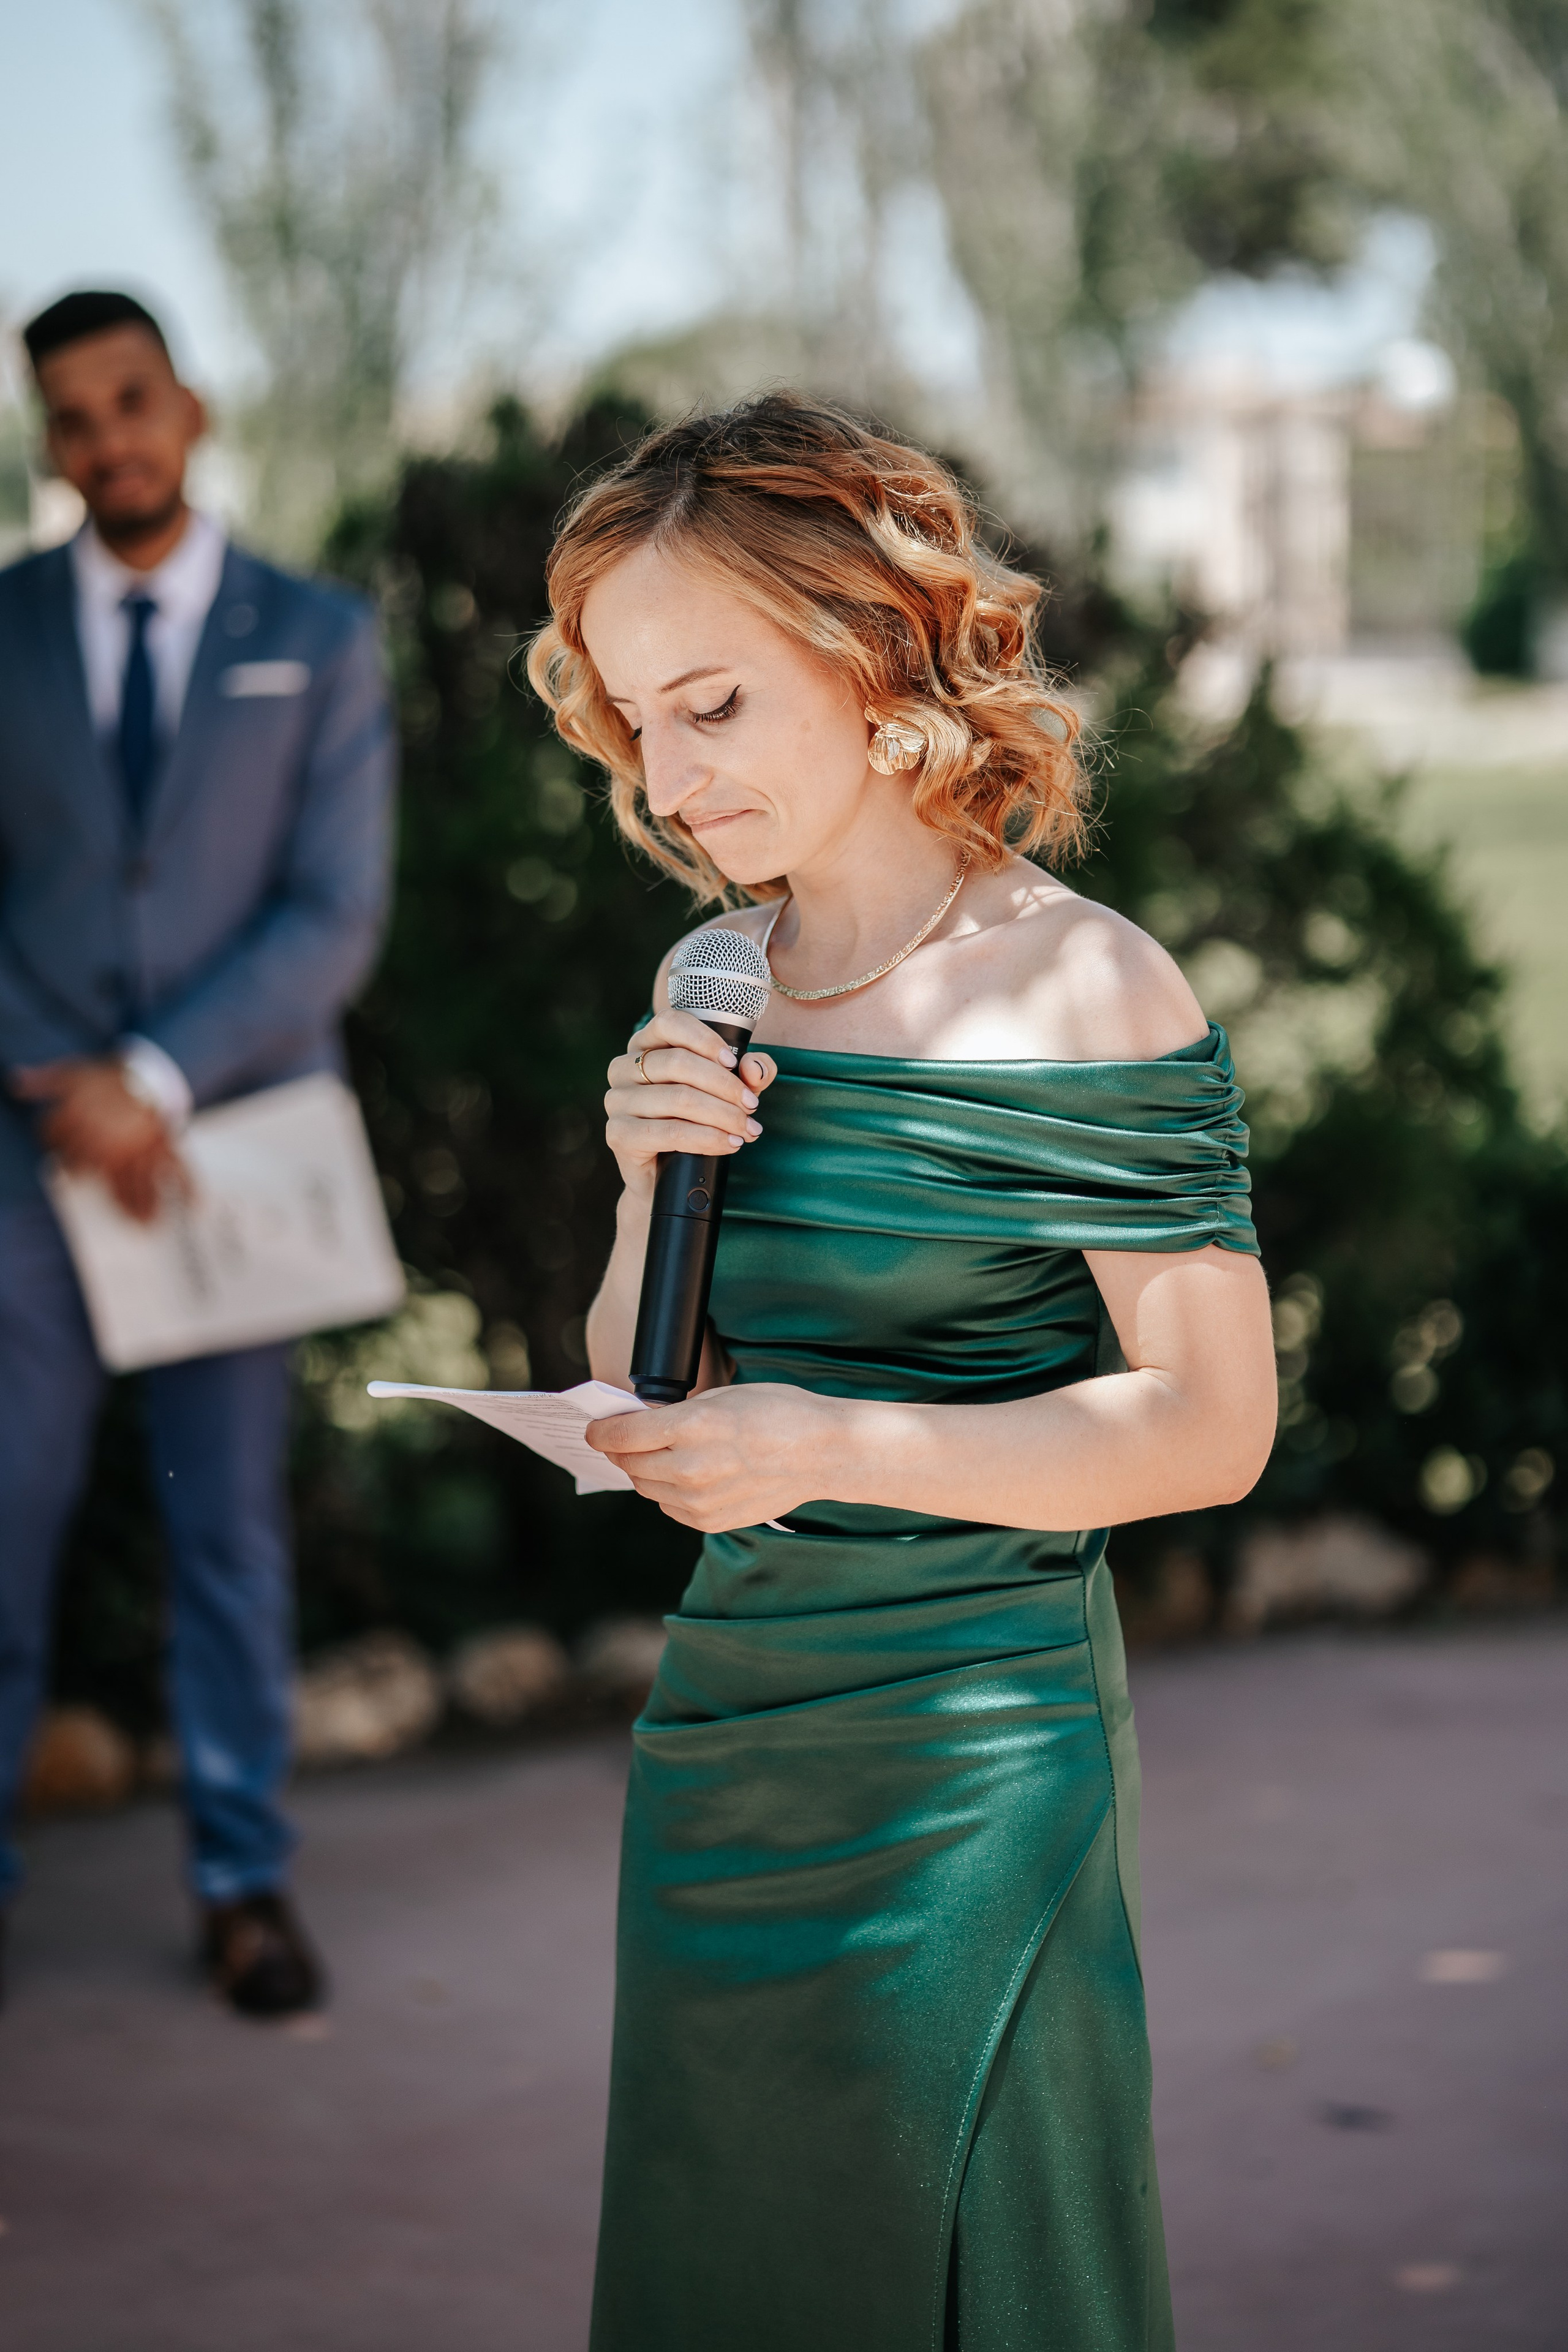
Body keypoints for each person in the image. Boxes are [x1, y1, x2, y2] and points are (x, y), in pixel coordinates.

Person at [527, 393, 1277, 2350]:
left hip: (972, 1762)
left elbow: (1213, 1428)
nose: (671, 777)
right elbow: (646, 1389)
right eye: (635, 720)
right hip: (724, 1750)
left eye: (714, 706)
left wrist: (834, 1438)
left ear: (867, 652)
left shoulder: (1084, 986)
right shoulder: (714, 979)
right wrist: (639, 1192)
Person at [0, 291, 395, 2016]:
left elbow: (336, 913)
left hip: (231, 1152)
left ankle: (245, 1879)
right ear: (46, 443)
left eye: (132, 402)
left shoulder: (316, 636)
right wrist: (66, 1086)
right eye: (71, 420)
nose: (108, 443)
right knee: (2, 1522)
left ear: (195, 409)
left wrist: (152, 1080)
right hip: (29, 1161)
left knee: (226, 1532)